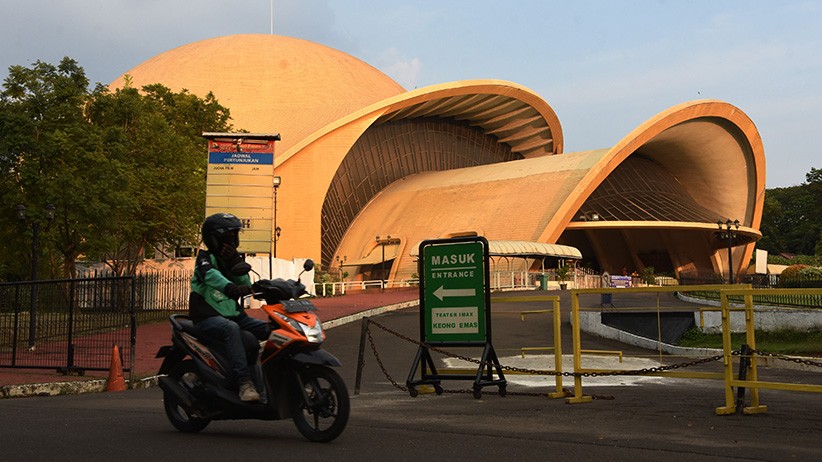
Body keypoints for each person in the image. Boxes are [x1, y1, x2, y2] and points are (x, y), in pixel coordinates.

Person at [189, 212, 270, 402]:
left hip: (235, 316)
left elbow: (246, 283)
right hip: (207, 317)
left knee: (273, 329)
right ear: (213, 239)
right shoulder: (204, 258)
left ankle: (284, 379)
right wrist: (230, 288)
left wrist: (235, 261)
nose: (231, 242)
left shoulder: (231, 260)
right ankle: (244, 383)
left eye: (233, 238)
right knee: (231, 329)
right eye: (226, 238)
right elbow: (210, 276)